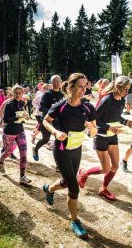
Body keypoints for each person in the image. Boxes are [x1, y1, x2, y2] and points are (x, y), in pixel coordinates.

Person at [42, 73, 97, 239]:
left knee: (67, 181)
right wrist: (55, 131)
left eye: (85, 85)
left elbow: (94, 132)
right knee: (74, 187)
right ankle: (74, 221)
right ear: (71, 87)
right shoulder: (61, 105)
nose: (83, 89)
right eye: (80, 86)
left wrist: (90, 128)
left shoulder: (88, 108)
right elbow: (46, 120)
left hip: (76, 149)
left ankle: (49, 188)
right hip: (61, 150)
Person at [77, 75, 132, 201]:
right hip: (101, 136)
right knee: (105, 168)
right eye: (125, 88)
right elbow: (95, 119)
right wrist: (108, 128)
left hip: (112, 136)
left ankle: (103, 188)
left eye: (128, 89)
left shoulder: (122, 101)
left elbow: (117, 117)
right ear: (117, 86)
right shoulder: (107, 100)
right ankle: (84, 172)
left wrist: (126, 122)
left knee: (115, 167)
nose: (126, 91)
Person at [0, 85, 31, 184]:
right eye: (16, 93)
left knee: (23, 154)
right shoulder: (9, 104)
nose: (18, 95)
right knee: (7, 152)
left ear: (22, 94)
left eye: (20, 93)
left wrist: (26, 116)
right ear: (12, 93)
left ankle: (22, 176)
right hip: (9, 132)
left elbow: (22, 112)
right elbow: (6, 119)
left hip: (20, 131)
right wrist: (18, 117)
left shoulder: (22, 103)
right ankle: (1, 161)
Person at [33, 75, 64, 161]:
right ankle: (35, 149)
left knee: (59, 139)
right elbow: (41, 108)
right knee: (45, 139)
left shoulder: (61, 94)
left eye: (59, 81)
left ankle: (59, 164)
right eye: (55, 81)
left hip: (57, 121)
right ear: (51, 83)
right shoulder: (47, 94)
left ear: (61, 82)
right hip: (46, 120)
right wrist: (52, 110)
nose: (57, 83)